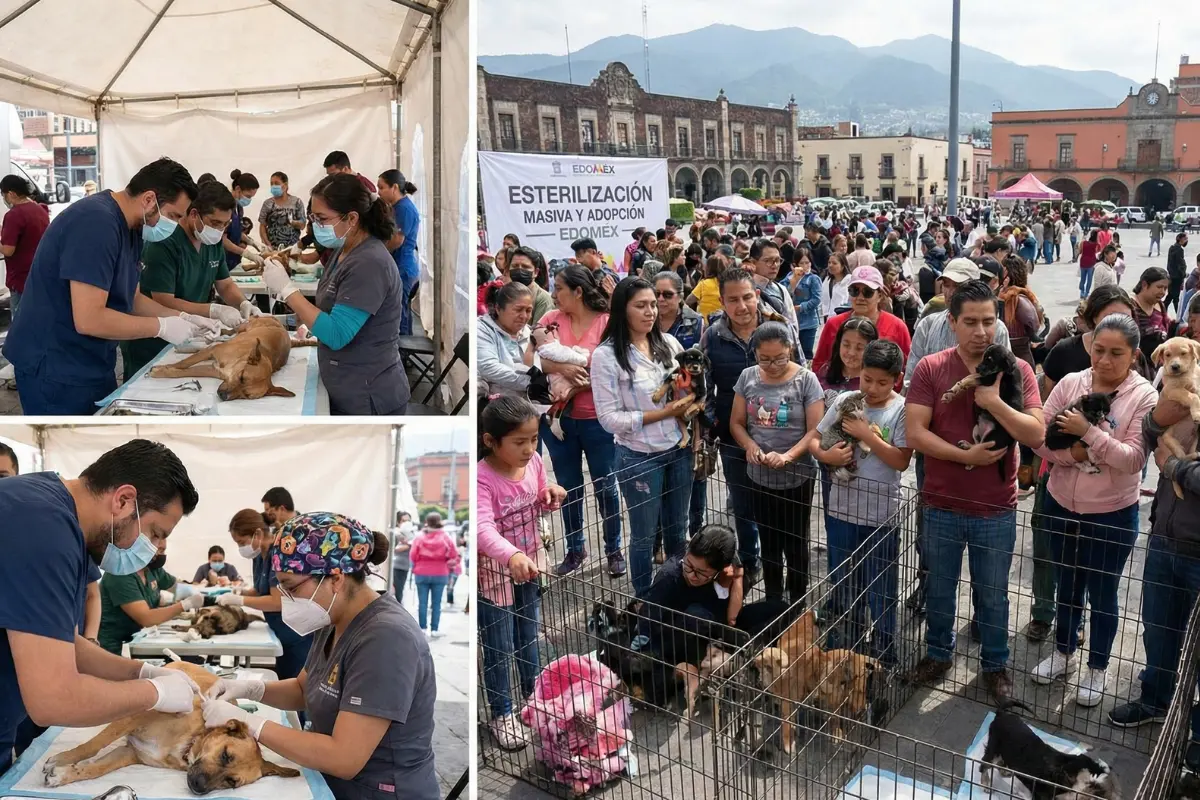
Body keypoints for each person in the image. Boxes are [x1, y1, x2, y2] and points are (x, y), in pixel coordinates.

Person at [200, 513, 441, 800]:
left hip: (376, 791)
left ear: (335, 578)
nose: (285, 599)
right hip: (329, 780)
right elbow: (304, 688)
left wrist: (253, 725)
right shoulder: (333, 620)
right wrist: (250, 689)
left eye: (290, 587)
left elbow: (344, 758)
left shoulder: (386, 638)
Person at [0, 439, 201, 773]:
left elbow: (59, 639)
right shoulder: (44, 530)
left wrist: (140, 672)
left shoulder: (57, 515)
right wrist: (153, 693)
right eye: (153, 533)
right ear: (123, 500)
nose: (154, 549)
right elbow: (53, 698)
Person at [905, 280, 1044, 700]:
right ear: (952, 322)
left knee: (994, 593)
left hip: (995, 507)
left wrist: (996, 402)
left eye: (988, 321)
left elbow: (1036, 432)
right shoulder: (931, 367)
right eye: (970, 322)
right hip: (942, 502)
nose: (981, 331)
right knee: (940, 586)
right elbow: (914, 434)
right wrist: (967, 457)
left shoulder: (1016, 369)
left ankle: (996, 666)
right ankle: (937, 654)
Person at [2, 158, 222, 414]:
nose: (173, 225)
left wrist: (185, 317)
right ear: (149, 199)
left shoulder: (132, 227)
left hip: (91, 361)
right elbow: (89, 319)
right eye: (173, 216)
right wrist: (160, 327)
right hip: (55, 365)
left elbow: (133, 298)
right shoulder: (95, 222)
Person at [1032, 314, 1156, 705]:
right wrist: (1071, 455)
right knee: (1066, 585)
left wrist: (1087, 432)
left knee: (1103, 592)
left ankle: (1097, 668)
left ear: (1133, 355)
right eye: (1099, 350)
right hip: (1060, 505)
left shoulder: (1143, 397)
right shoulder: (1072, 382)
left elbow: (1133, 459)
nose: (1104, 360)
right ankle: (1064, 652)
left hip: (1112, 513)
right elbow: (1039, 438)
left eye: (1116, 353)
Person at [263, 173, 410, 415]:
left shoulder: (369, 262)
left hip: (368, 395)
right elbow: (330, 308)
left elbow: (337, 333)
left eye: (321, 219)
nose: (316, 226)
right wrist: (287, 319)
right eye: (313, 218)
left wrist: (287, 290)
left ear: (352, 218)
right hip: (344, 384)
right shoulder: (343, 252)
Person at [592, 276, 694, 597]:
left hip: (679, 451)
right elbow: (610, 419)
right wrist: (663, 413)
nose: (651, 311)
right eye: (641, 306)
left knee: (679, 531)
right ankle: (645, 600)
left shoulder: (670, 345)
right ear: (622, 310)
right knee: (644, 536)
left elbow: (689, 387)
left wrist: (689, 405)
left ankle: (676, 593)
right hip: (638, 457)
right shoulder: (606, 357)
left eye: (653, 304)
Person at [477, 395, 567, 750]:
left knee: (529, 636)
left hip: (530, 568)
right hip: (495, 575)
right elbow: (483, 529)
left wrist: (550, 492)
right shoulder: (482, 479)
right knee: (499, 645)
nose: (530, 449)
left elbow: (542, 488)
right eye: (519, 442)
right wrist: (510, 553)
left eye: (533, 440)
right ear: (490, 441)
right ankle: (502, 711)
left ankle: (535, 699)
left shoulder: (531, 463)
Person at [813, 340, 911, 664]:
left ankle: (884, 650)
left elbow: (901, 460)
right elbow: (816, 438)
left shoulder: (900, 410)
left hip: (881, 516)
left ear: (896, 379)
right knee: (845, 582)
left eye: (882, 382)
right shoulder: (844, 400)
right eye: (867, 379)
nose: (872, 388)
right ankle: (848, 647)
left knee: (881, 587)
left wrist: (866, 434)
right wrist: (826, 454)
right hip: (842, 511)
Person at [122, 180, 263, 376]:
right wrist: (214, 310)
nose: (219, 230)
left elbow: (226, 284)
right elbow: (164, 300)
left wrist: (243, 304)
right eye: (215, 223)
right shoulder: (164, 242)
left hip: (192, 335)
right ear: (194, 213)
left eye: (225, 225)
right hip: (154, 338)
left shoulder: (211, 242)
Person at [729, 322, 824, 602]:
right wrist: (750, 446)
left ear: (790, 350)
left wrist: (788, 456)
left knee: (796, 543)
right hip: (759, 476)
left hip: (797, 477)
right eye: (764, 359)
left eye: (780, 358)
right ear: (755, 354)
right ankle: (773, 601)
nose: (772, 365)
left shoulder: (806, 380)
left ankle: (797, 600)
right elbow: (736, 423)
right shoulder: (747, 378)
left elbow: (814, 430)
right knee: (768, 543)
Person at [538, 266, 622, 578]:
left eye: (559, 288)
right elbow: (536, 357)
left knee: (606, 486)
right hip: (558, 421)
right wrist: (566, 367)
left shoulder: (607, 322)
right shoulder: (550, 320)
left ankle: (613, 548)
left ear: (578, 291)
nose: (554, 293)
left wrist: (578, 384)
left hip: (597, 420)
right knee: (568, 488)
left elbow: (614, 370)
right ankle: (575, 549)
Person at [701, 268, 772, 585]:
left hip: (777, 435)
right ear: (722, 301)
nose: (742, 306)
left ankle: (775, 562)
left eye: (747, 297)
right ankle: (751, 560)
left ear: (756, 294)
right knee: (742, 505)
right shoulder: (712, 336)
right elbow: (701, 390)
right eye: (733, 300)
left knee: (776, 504)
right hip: (732, 437)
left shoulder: (775, 328)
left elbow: (800, 371)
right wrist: (716, 423)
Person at [217, 508, 313, 683]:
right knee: (284, 682)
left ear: (258, 533)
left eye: (241, 542)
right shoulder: (259, 556)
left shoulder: (279, 553)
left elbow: (277, 601)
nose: (241, 548)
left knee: (298, 689)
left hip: (296, 635)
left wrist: (240, 600)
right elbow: (261, 590)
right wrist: (239, 592)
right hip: (279, 632)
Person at [905, 259, 1011, 389]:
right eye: (946, 285)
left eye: (957, 285)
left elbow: (1006, 377)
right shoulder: (927, 325)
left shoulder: (997, 329)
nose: (950, 292)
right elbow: (911, 379)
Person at [98, 540, 206, 655]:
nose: (162, 548)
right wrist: (185, 605)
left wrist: (205, 594)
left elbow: (177, 588)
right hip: (114, 646)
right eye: (156, 536)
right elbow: (147, 618)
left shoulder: (151, 568)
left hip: (137, 639)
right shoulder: (120, 574)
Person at [812, 266, 911, 379]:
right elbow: (819, 364)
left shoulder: (897, 326)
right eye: (854, 291)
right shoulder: (833, 324)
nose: (860, 297)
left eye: (867, 292)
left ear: (879, 296)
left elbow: (907, 368)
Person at [0, 173, 50, 317]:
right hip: (38, 273)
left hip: (20, 278)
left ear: (11, 193)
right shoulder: (40, 209)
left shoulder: (14, 215)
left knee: (19, 321)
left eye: (3, 195)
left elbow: (8, 250)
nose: (4, 199)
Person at [377, 170, 421, 335]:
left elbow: (396, 240)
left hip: (403, 267)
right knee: (399, 309)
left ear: (394, 187)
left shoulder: (404, 209)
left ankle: (401, 353)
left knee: (398, 312)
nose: (379, 192)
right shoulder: (395, 207)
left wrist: (378, 254)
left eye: (381, 188)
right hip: (398, 265)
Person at [478, 281, 535, 395]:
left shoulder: (529, 332)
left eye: (528, 310)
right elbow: (489, 367)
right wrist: (533, 384)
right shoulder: (481, 329)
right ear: (498, 309)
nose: (524, 316)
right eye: (518, 310)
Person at [408, 512, 460, 639]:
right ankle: (435, 629)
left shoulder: (419, 537)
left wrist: (414, 566)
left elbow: (413, 555)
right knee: (436, 603)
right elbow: (454, 554)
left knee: (422, 603)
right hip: (440, 572)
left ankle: (422, 628)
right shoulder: (445, 537)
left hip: (421, 572)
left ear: (427, 521)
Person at [747, 237, 800, 335]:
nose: (774, 265)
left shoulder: (781, 289)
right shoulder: (745, 290)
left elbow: (793, 327)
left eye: (777, 260)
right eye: (768, 260)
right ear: (753, 262)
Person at [998, 256, 1042, 368]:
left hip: (1020, 354)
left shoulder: (1019, 298)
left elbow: (1033, 324)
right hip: (1008, 353)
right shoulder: (1003, 294)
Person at [221, 169, 263, 273]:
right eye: (248, 196)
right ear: (238, 189)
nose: (249, 200)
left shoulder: (238, 208)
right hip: (222, 258)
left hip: (234, 259)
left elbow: (236, 230)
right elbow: (222, 239)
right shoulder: (224, 208)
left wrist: (252, 242)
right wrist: (246, 253)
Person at [787, 247, 823, 360]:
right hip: (793, 321)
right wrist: (794, 281)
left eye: (807, 262)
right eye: (801, 263)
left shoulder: (813, 279)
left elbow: (816, 299)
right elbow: (783, 294)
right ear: (795, 264)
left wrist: (801, 307)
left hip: (809, 322)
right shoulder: (789, 278)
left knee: (807, 353)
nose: (804, 265)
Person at [1131, 266, 1173, 363]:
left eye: (1165, 288)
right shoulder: (1131, 305)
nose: (1162, 292)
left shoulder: (1160, 305)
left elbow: (1167, 326)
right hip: (1139, 361)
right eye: (1159, 287)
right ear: (1145, 285)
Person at [258, 171, 307, 250]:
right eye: (271, 184)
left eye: (276, 183)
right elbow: (262, 226)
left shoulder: (297, 202)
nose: (273, 186)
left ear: (285, 185)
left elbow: (302, 225)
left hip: (292, 248)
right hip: (272, 248)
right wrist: (267, 244)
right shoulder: (268, 203)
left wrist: (293, 222)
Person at [509, 246, 554, 324]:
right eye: (515, 266)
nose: (519, 270)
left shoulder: (543, 299)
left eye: (525, 267)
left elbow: (539, 331)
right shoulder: (505, 294)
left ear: (536, 272)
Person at [391, 511, 415, 605]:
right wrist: (408, 545)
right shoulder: (396, 533)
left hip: (404, 565)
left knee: (399, 589)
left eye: (408, 520)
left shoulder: (411, 534)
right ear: (398, 522)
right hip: (395, 564)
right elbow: (393, 549)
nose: (406, 523)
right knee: (397, 590)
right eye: (403, 520)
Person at [821, 251, 852, 319]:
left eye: (834, 263)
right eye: (829, 262)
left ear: (843, 266)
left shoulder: (849, 281)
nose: (830, 265)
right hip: (827, 319)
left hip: (842, 318)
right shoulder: (827, 280)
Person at [1168, 232, 1189, 316]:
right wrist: (1183, 274)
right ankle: (1178, 315)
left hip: (1172, 275)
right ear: (1180, 239)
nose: (1186, 241)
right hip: (1177, 276)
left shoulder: (1172, 247)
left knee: (1170, 295)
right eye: (1185, 239)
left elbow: (1169, 263)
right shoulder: (1179, 250)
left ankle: (1166, 309)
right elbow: (1181, 264)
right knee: (1175, 297)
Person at [1079, 230, 1100, 299]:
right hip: (1091, 263)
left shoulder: (1083, 243)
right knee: (1089, 279)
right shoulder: (1096, 244)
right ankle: (1086, 293)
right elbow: (1098, 252)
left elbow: (1080, 251)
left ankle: (1082, 291)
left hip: (1083, 261)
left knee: (1083, 278)